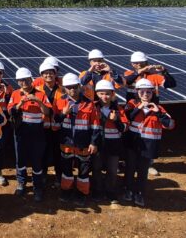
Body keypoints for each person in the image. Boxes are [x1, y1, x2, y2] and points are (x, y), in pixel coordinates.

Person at [123, 51, 177, 177]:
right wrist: (140, 72)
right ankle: (129, 163)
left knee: (149, 138)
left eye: (140, 63)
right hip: (134, 109)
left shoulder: (154, 77)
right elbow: (125, 81)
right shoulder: (130, 74)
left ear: (145, 62)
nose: (138, 65)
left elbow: (171, 84)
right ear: (131, 64)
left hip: (151, 110)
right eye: (135, 63)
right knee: (132, 138)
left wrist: (164, 72)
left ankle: (147, 165)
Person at [123, 78, 175, 207]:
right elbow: (126, 117)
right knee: (130, 168)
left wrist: (158, 113)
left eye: (148, 92)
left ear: (152, 93)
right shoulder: (131, 104)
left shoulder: (159, 109)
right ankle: (128, 190)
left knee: (143, 170)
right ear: (137, 92)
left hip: (148, 146)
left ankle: (140, 193)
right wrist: (139, 107)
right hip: (133, 144)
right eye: (142, 92)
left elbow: (170, 124)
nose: (145, 95)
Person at [54, 73, 101, 206]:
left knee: (83, 170)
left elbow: (95, 125)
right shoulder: (60, 102)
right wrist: (63, 113)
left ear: (79, 87)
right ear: (65, 88)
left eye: (75, 87)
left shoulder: (89, 104)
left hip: (84, 144)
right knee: (66, 170)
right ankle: (66, 191)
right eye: (69, 87)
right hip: (66, 143)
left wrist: (93, 142)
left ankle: (82, 193)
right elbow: (55, 122)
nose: (72, 90)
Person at [7, 67, 50, 202]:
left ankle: (37, 187)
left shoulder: (41, 94)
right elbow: (10, 111)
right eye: (20, 80)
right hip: (20, 132)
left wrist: (37, 101)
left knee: (37, 160)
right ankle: (21, 183)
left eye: (26, 80)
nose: (23, 83)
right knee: (21, 159)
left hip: (37, 132)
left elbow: (48, 112)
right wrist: (20, 103)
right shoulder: (15, 94)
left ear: (31, 80)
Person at [91, 79, 128, 204]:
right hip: (99, 144)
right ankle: (97, 190)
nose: (104, 96)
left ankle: (110, 192)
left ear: (112, 94)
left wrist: (116, 120)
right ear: (97, 94)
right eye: (101, 93)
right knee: (96, 168)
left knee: (112, 170)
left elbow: (124, 128)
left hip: (114, 145)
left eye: (107, 93)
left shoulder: (118, 109)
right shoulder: (93, 107)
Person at [34, 57, 65, 189]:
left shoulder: (62, 89)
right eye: (45, 73)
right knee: (43, 152)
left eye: (51, 72)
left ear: (55, 73)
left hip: (58, 127)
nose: (48, 75)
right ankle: (44, 175)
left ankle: (59, 176)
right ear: (41, 75)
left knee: (58, 153)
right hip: (43, 127)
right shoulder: (37, 88)